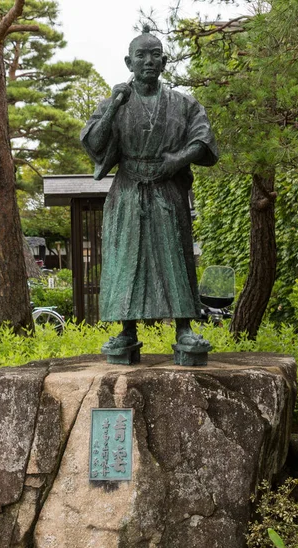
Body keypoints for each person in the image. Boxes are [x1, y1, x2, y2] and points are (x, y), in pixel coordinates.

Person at [80, 26, 218, 355]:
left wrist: (177, 161)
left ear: (164, 62)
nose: (148, 61)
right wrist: (114, 104)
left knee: (176, 256)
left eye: (155, 54)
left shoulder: (183, 103)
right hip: (127, 192)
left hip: (167, 188)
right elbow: (94, 145)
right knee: (126, 258)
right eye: (141, 55)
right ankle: (127, 331)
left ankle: (184, 328)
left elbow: (203, 139)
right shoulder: (115, 101)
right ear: (129, 62)